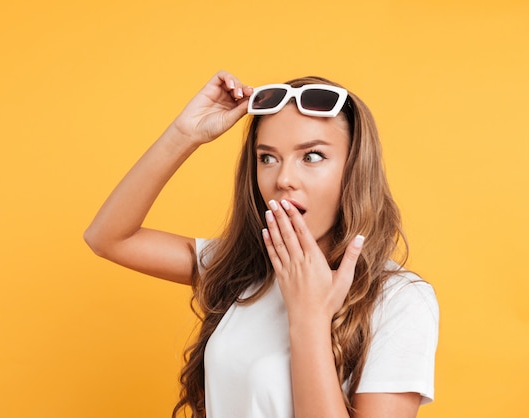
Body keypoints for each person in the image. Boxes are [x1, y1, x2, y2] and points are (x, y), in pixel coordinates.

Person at [84, 71, 439, 418]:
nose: (283, 179)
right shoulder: (244, 269)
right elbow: (109, 237)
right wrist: (184, 134)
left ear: (355, 167)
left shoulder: (400, 300)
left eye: (312, 156)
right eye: (267, 158)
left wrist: (310, 318)